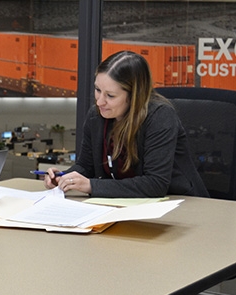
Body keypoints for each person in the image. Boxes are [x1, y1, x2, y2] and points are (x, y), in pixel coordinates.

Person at [43, 50, 208, 198]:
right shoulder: (97, 116)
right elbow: (86, 166)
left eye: (110, 95)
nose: (100, 101)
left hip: (179, 205)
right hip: (125, 206)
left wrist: (91, 186)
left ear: (134, 95)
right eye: (98, 90)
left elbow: (155, 184)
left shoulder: (160, 117)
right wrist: (65, 177)